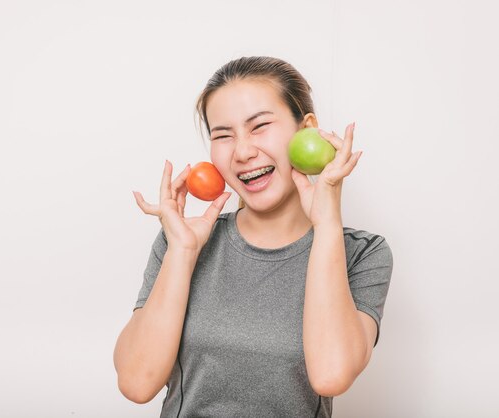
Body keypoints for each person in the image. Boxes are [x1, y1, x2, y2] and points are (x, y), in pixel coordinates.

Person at [113, 56, 393, 417]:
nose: (243, 152)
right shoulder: (182, 241)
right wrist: (182, 252)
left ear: (306, 129)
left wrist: (326, 226)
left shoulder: (361, 253)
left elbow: (330, 375)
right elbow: (137, 383)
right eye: (223, 135)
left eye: (259, 126)